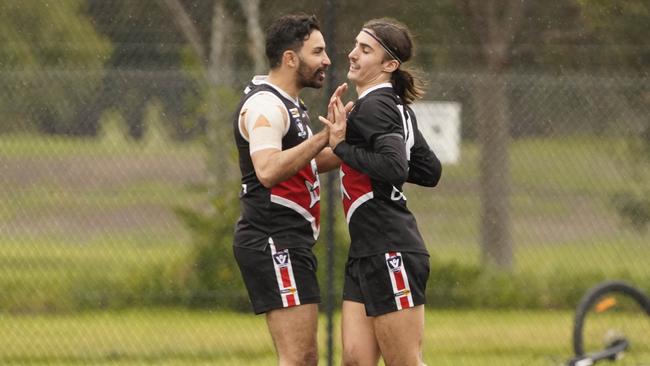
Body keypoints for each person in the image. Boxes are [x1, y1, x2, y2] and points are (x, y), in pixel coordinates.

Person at [319, 18, 442, 366]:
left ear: (390, 65)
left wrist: (343, 147)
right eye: (356, 45)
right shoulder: (389, 106)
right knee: (356, 361)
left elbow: (394, 168)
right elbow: (428, 170)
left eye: (365, 49)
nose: (353, 54)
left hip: (392, 248)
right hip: (366, 250)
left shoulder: (378, 105)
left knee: (404, 361)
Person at [232, 13, 345, 366]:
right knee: (298, 359)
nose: (327, 60)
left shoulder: (290, 103)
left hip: (289, 240)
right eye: (318, 51)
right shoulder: (266, 106)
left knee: (305, 359)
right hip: (272, 238)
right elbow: (268, 170)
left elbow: (307, 161)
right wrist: (325, 136)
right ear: (290, 58)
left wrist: (352, 145)